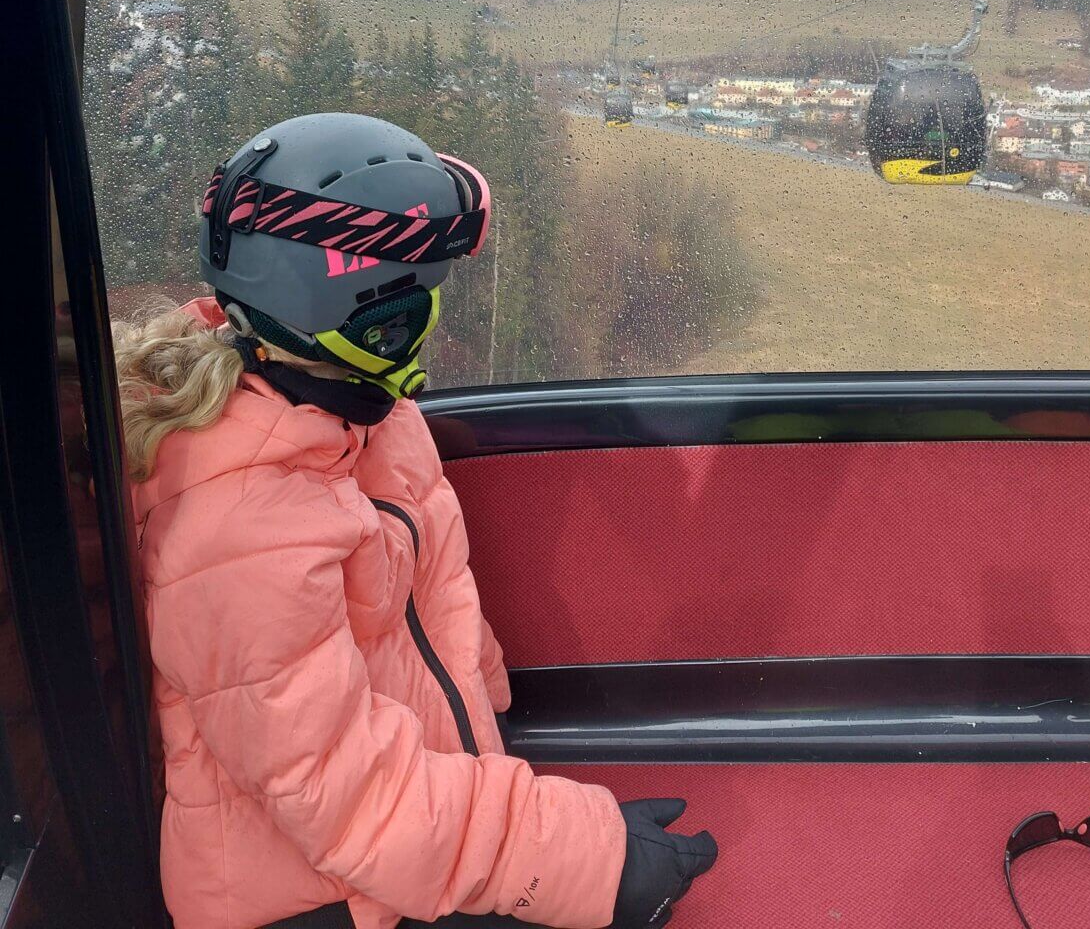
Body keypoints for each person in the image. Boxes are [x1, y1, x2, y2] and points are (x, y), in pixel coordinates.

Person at [118, 113, 718, 929]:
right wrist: (582, 856)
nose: (435, 311)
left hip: (410, 825)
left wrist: (490, 719)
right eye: (418, 288)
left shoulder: (371, 414)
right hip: (307, 895)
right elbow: (341, 795)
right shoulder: (238, 528)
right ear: (364, 308)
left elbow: (433, 596)